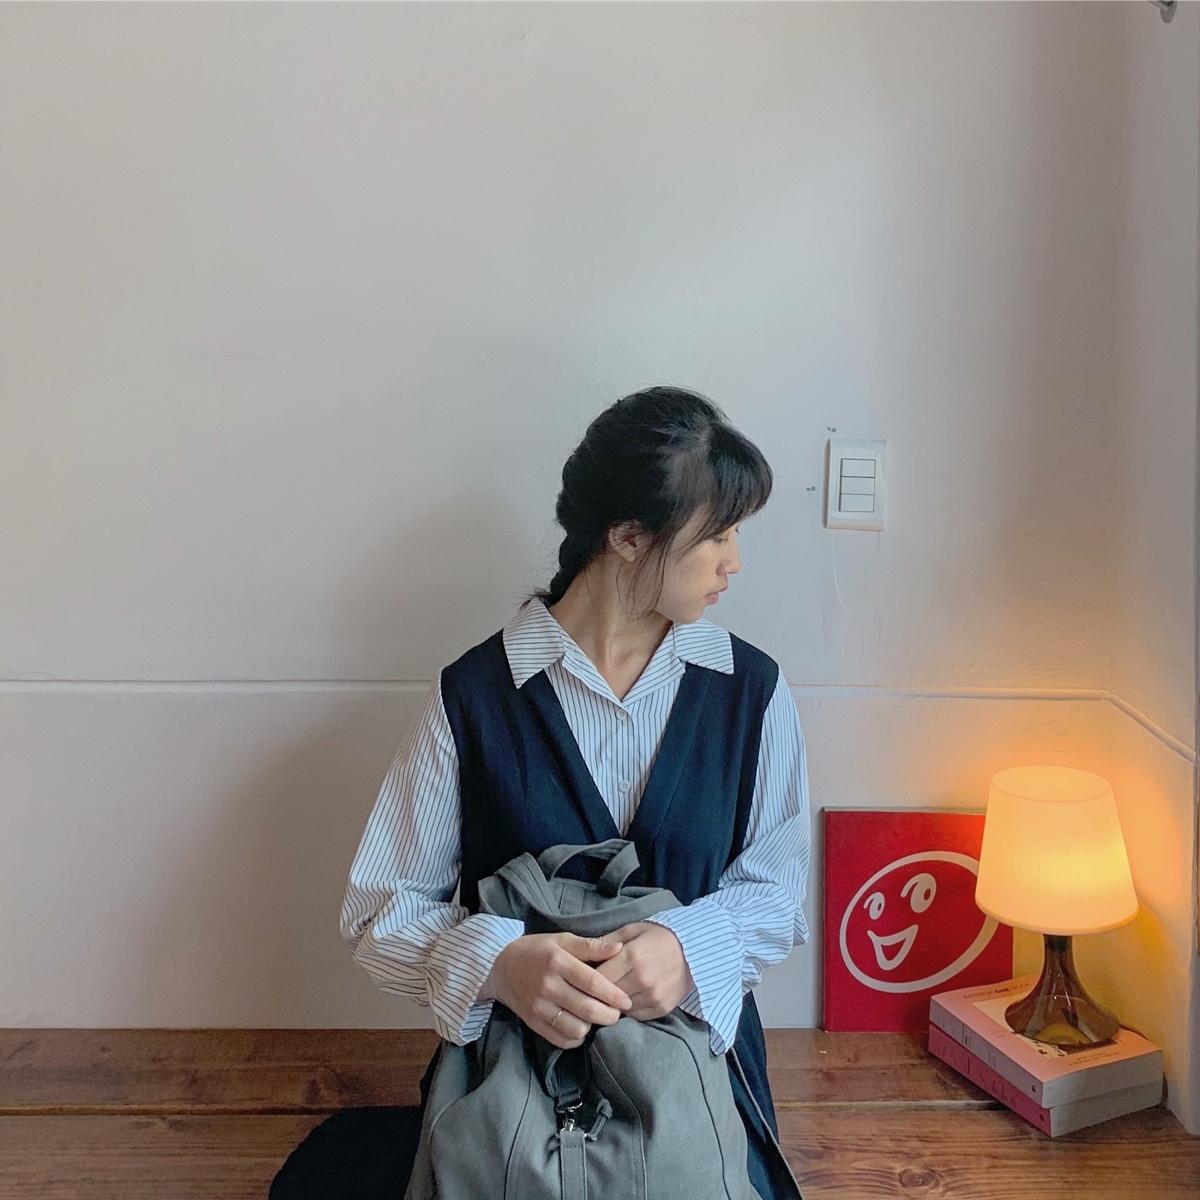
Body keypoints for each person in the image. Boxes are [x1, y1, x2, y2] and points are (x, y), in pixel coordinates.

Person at [270, 385, 811, 1199]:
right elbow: (381, 909)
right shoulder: (475, 697)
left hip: (700, 1093)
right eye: (717, 535)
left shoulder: (750, 692)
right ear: (628, 536)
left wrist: (689, 948)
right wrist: (498, 964)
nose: (733, 562)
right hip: (509, 1098)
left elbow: (777, 892)